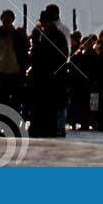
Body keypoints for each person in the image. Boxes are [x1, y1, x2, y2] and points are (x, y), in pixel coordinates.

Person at [26, 10, 70, 138]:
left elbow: (41, 56)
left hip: (44, 77)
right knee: (50, 107)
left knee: (42, 106)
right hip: (52, 77)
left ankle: (40, 129)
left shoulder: (46, 36)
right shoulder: (57, 35)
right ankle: (48, 128)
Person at [0, 9, 27, 115]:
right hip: (5, 70)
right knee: (6, 99)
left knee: (5, 99)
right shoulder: (17, 36)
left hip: (6, 70)